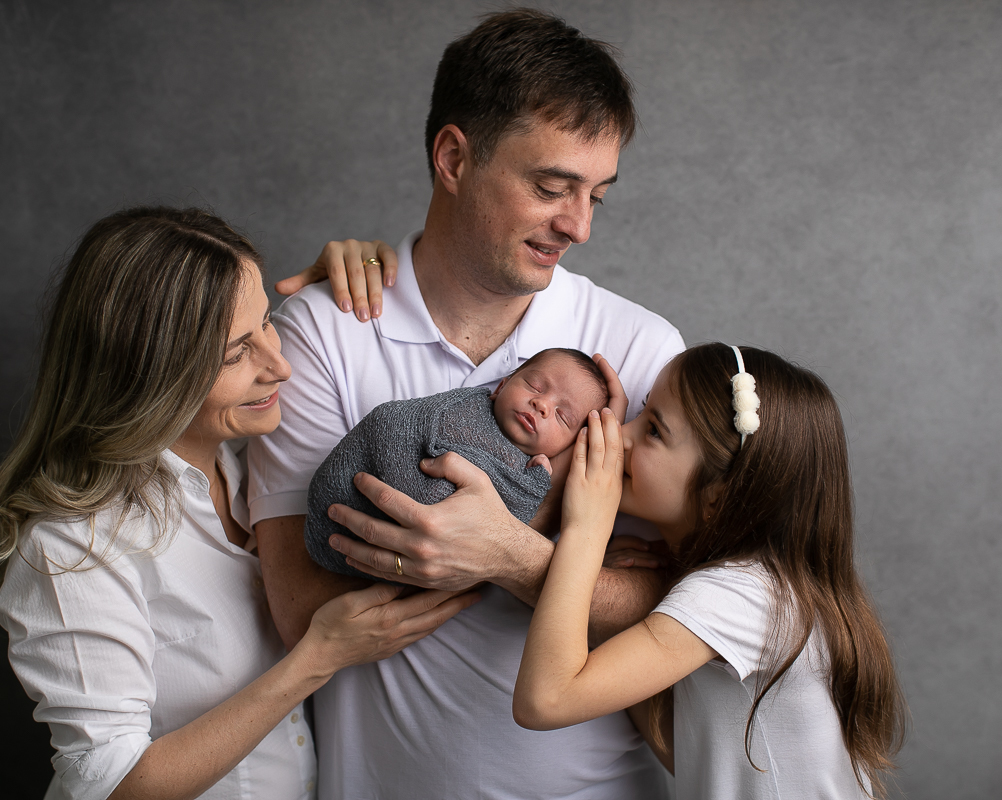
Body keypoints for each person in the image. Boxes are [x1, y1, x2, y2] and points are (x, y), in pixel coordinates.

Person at [248, 9, 685, 799]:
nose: (578, 226)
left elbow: (687, 610)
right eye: (551, 187)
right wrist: (556, 563)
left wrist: (512, 557)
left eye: (597, 195)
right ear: (453, 157)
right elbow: (299, 607)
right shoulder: (320, 333)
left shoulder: (641, 348)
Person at [0, 207, 478, 800]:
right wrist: (315, 660)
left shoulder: (248, 472)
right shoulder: (71, 545)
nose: (281, 365)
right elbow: (108, 787)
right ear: (149, 370)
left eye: (269, 322)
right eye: (238, 353)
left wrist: (353, 278)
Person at [514, 344, 908, 798]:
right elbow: (691, 755)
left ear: (718, 495)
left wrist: (586, 527)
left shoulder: (742, 593)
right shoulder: (762, 586)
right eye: (640, 415)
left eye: (654, 431)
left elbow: (544, 701)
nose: (620, 434)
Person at [304, 348, 608, 579]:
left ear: (569, 446)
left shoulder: (529, 477)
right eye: (535, 386)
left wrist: (536, 482)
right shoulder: (463, 408)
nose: (541, 405)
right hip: (350, 492)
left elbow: (508, 526)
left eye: (562, 416)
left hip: (408, 562)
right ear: (501, 386)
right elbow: (391, 423)